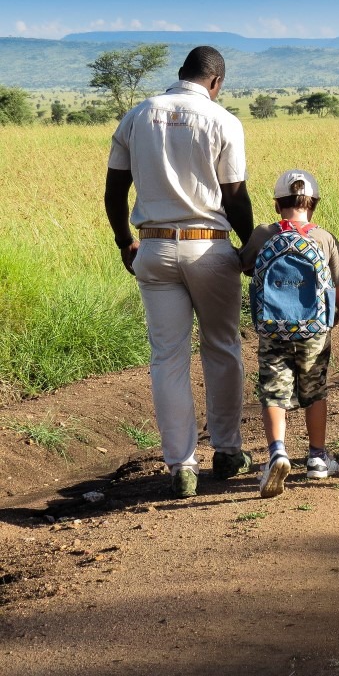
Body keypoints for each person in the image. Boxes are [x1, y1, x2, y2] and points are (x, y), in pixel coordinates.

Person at [104, 46, 255, 498]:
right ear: (216, 82)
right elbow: (235, 197)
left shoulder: (137, 116)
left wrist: (124, 243)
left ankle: (181, 467)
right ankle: (227, 452)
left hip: (152, 248)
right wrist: (248, 248)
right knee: (223, 347)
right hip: (208, 248)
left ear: (180, 74)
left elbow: (113, 193)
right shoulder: (223, 120)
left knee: (167, 358)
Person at [239, 170, 339, 497]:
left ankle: (277, 452)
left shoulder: (263, 235)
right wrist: (331, 318)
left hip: (273, 328)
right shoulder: (324, 238)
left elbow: (242, 264)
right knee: (314, 390)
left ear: (277, 204)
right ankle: (317, 458)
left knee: (273, 391)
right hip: (314, 331)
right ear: (313, 204)